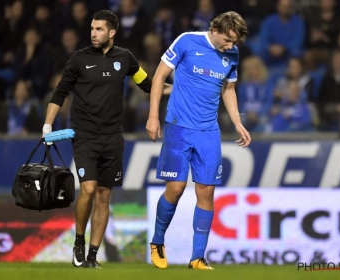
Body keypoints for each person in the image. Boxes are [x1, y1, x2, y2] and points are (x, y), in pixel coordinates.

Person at [42, 10, 172, 268]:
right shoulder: (79, 59)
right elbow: (60, 93)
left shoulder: (125, 59)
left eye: (99, 29)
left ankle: (92, 255)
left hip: (113, 137)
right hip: (85, 136)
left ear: (112, 32)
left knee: (103, 195)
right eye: (92, 28)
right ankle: (79, 242)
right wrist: (47, 125)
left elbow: (148, 85)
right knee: (88, 189)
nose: (93, 33)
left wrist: (181, 87)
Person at [146, 11, 251, 270]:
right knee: (176, 188)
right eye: (227, 40)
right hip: (178, 128)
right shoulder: (186, 41)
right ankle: (158, 241)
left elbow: (229, 89)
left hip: (208, 132)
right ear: (215, 30)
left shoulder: (232, 54)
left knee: (206, 191)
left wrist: (238, 123)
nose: (230, 45)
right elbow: (159, 77)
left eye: (234, 42)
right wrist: (153, 116)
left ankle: (197, 257)